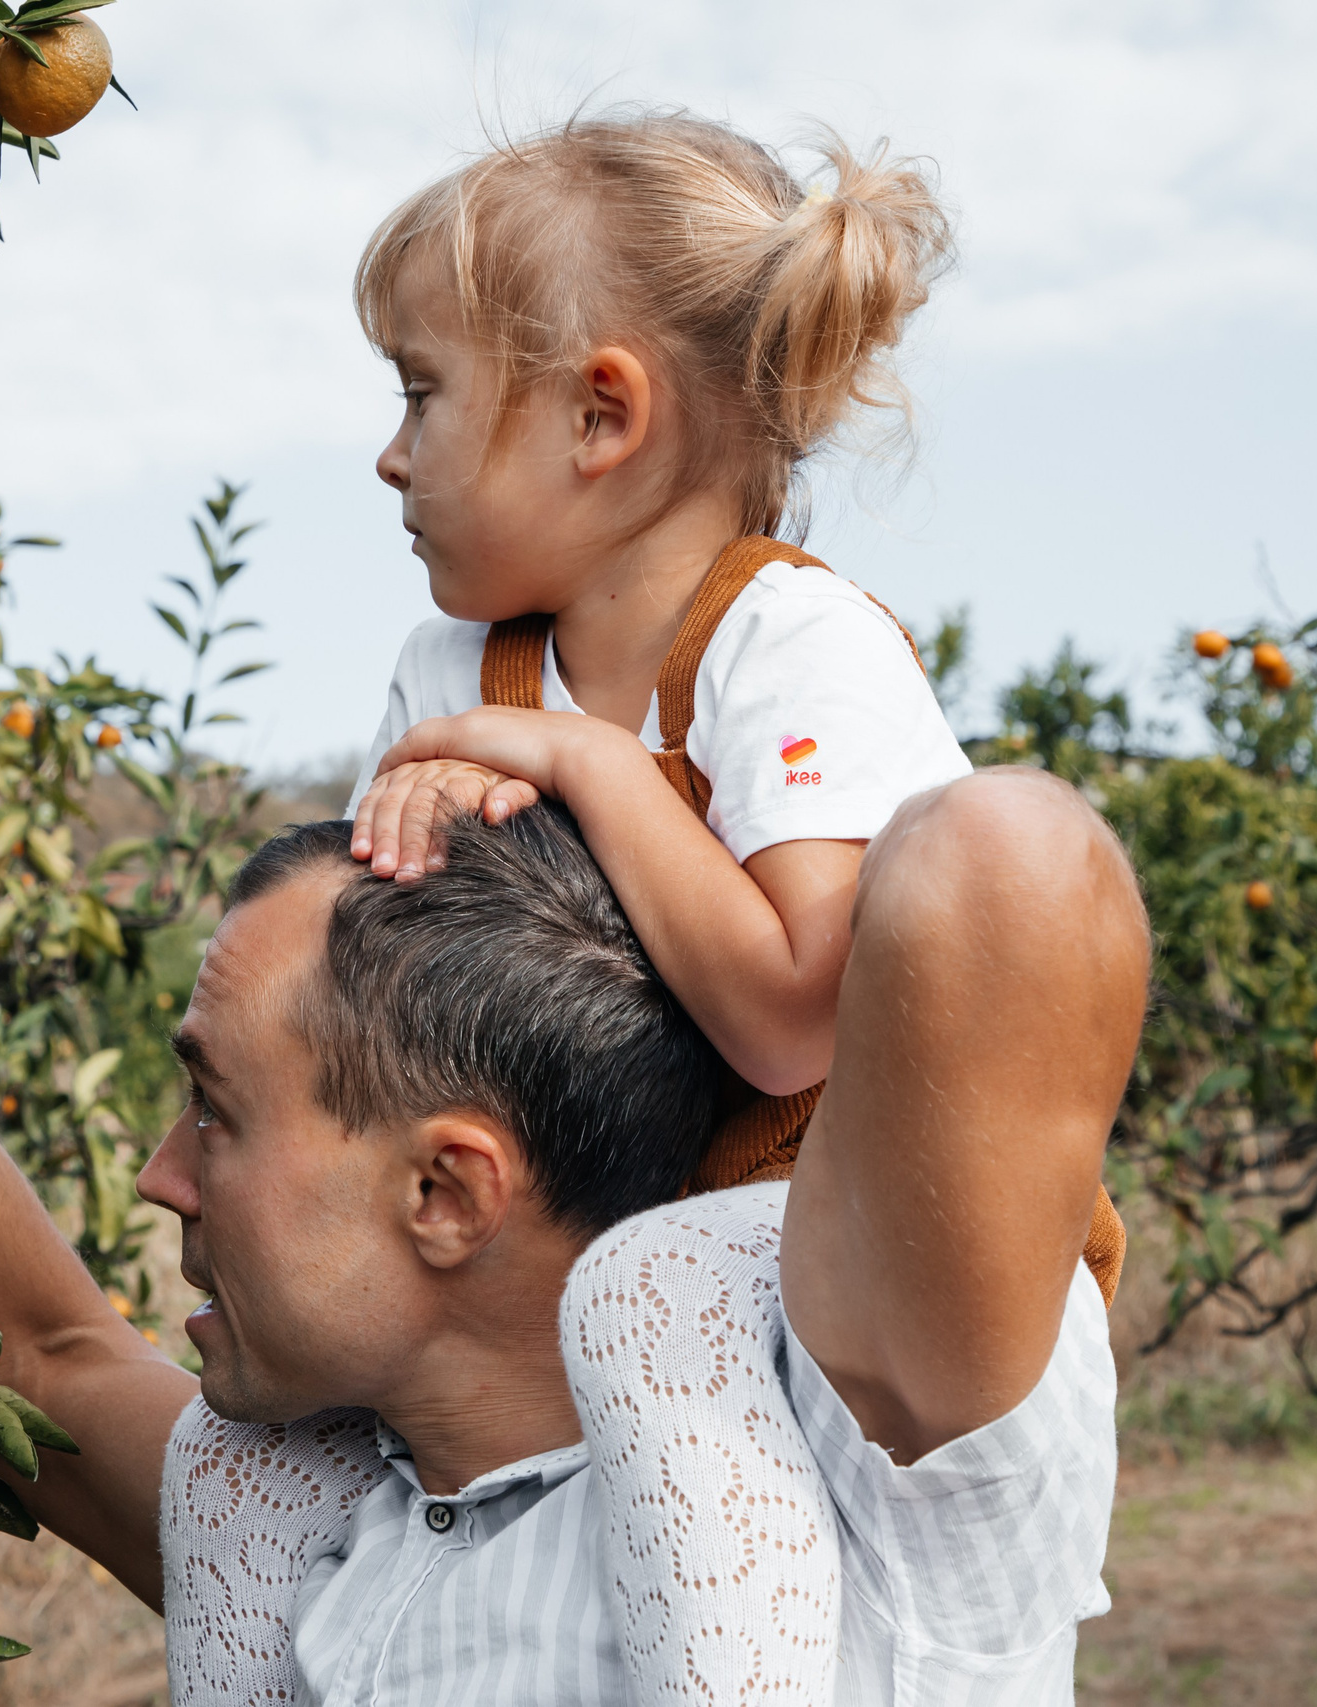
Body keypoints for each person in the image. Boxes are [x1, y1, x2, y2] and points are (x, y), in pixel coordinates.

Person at [0, 651, 1146, 1704]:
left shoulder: (871, 1491)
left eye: (213, 1109)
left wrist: (594, 759)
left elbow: (1005, 864)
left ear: (447, 1193)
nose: (159, 1176)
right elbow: (23, 1338)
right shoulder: (299, 1510)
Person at [343, 112, 967, 1197]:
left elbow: (793, 1021)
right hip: (591, 1261)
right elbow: (356, 991)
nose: (390, 459)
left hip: (851, 1280)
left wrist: (586, 764)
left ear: (599, 416)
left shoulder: (794, 646)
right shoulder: (443, 674)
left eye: (420, 394)